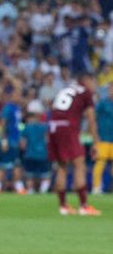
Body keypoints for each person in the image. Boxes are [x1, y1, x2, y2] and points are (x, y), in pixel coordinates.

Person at [48, 74, 101, 215]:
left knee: (62, 166)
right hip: (67, 127)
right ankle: (84, 206)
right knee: (79, 164)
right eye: (93, 82)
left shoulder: (65, 89)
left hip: (53, 126)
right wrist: (96, 142)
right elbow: (91, 118)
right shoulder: (85, 92)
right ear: (87, 81)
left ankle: (63, 206)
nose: (94, 85)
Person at [90, 84, 113, 194]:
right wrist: (95, 135)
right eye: (110, 89)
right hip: (103, 138)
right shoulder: (103, 103)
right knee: (100, 162)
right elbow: (93, 118)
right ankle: (96, 187)